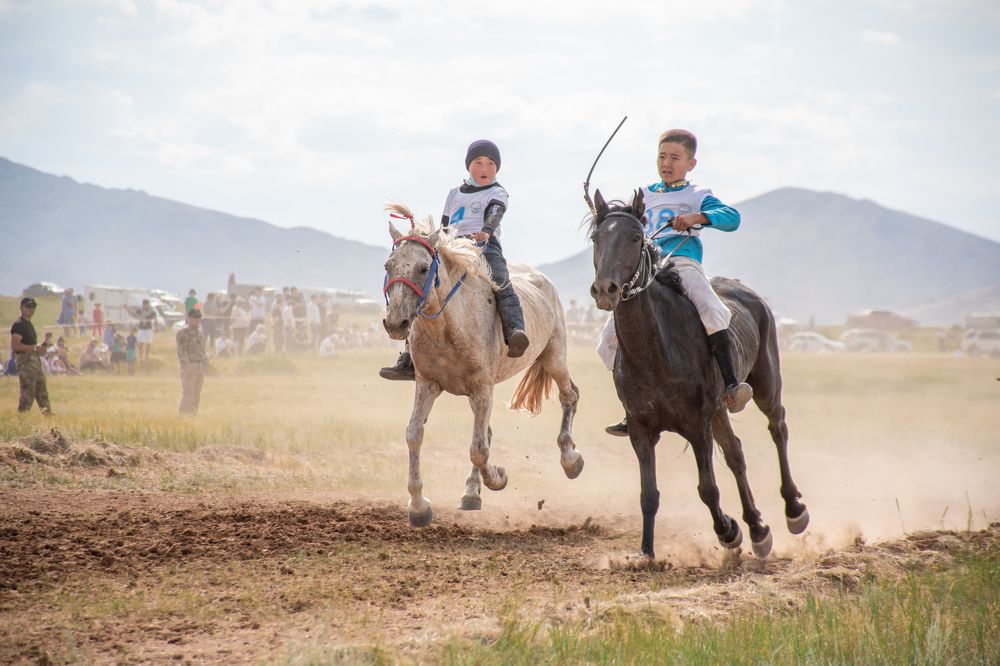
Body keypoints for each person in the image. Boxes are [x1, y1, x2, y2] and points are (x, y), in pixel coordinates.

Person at [602, 128, 750, 436]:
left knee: (712, 311)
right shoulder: (643, 194)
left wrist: (696, 219)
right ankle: (634, 407)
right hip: (647, 271)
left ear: (691, 164)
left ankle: (731, 386)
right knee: (606, 342)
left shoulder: (696, 194)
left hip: (682, 264)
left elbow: (731, 217)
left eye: (675, 158)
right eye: (662, 156)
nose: (666, 163)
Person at [380, 139, 528, 380]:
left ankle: (515, 331)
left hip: (485, 247)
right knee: (424, 290)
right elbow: (446, 225)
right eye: (478, 162)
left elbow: (495, 212)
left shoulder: (497, 191)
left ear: (497, 168)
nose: (484, 168)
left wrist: (487, 231)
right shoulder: (454, 194)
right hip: (452, 249)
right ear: (469, 166)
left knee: (501, 282)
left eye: (491, 164)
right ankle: (409, 357)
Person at [10, 297, 52, 415]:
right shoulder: (19, 325)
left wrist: (40, 347)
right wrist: (34, 348)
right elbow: (15, 346)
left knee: (41, 390)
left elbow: (30, 345)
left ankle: (48, 416)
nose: (31, 309)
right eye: (28, 306)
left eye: (33, 306)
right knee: (28, 390)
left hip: (34, 361)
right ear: (21, 307)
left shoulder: (29, 324)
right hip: (25, 362)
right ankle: (22, 416)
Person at [176, 308, 208, 415]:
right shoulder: (183, 333)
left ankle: (193, 414)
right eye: (195, 317)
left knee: (196, 393)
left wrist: (205, 363)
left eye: (199, 317)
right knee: (188, 392)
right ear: (189, 318)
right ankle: (184, 415)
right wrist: (187, 366)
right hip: (189, 365)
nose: (197, 319)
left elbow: (202, 351)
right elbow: (181, 352)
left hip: (199, 365)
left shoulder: (200, 334)